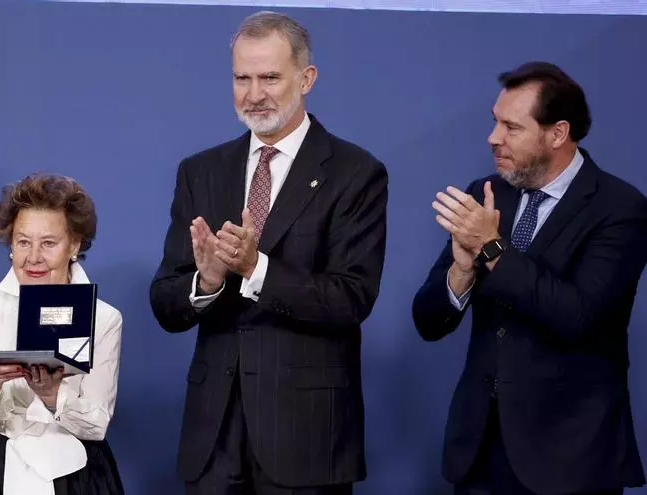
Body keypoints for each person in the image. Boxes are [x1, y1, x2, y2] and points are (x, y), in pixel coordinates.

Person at [149, 11, 388, 494]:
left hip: (305, 438)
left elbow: (351, 298)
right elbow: (166, 303)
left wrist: (255, 268)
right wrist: (207, 282)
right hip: (214, 440)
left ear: (307, 78)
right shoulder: (201, 171)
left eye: (270, 78)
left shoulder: (355, 173)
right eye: (242, 78)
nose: (254, 94)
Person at [412, 61, 647, 495]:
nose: (493, 138)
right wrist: (461, 271)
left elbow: (578, 316)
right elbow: (428, 322)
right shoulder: (486, 194)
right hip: (479, 451)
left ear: (557, 134)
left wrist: (491, 249)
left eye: (511, 127)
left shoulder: (619, 208)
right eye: (495, 122)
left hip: (569, 456)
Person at [0, 173, 124, 495]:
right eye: (23, 242)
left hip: (74, 474)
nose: (33, 258)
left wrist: (52, 395)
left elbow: (98, 423)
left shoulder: (104, 318)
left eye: (48, 243)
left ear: (74, 245)